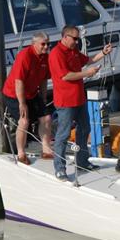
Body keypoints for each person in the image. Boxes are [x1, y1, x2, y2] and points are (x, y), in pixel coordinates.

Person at [49, 25, 112, 180]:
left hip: (79, 98)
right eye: (74, 39)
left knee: (84, 129)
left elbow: (87, 60)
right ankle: (60, 168)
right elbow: (65, 76)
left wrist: (103, 53)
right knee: (63, 135)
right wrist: (86, 73)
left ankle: (82, 162)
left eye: (77, 39)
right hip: (65, 101)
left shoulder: (73, 51)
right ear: (65, 37)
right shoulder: (56, 54)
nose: (77, 42)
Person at [2, 32, 54, 164]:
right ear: (34, 44)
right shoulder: (25, 55)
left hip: (32, 93)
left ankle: (46, 150)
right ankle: (21, 153)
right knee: (24, 121)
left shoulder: (45, 58)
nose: (46, 46)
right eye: (43, 44)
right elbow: (18, 81)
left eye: (48, 43)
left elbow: (43, 80)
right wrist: (22, 103)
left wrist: (43, 97)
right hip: (14, 94)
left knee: (46, 118)